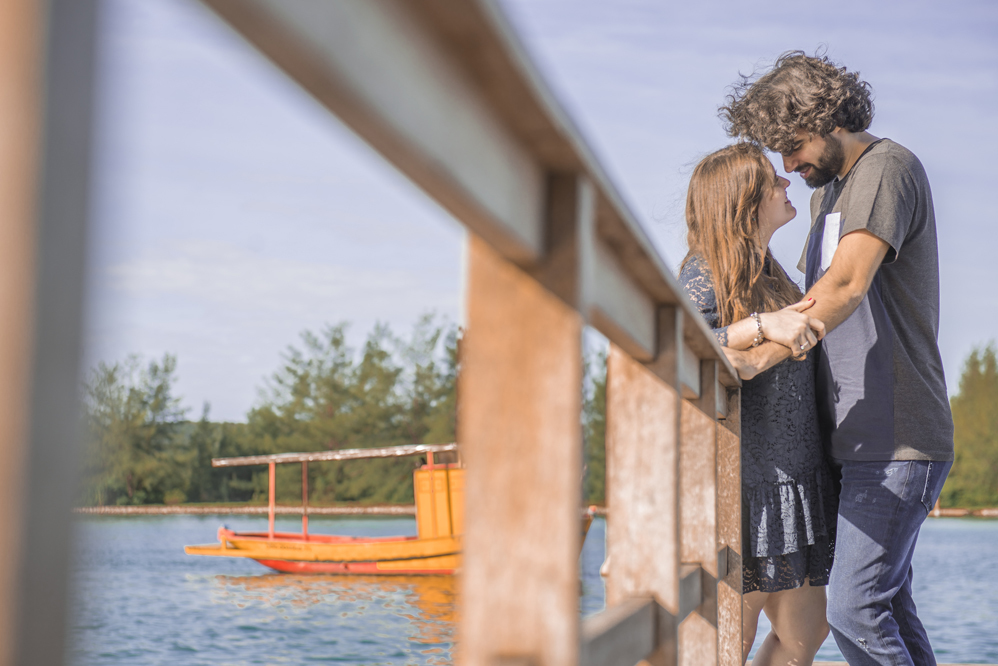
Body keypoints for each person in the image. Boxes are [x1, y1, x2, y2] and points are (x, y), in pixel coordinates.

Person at [719, 51, 954, 666]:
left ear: (826, 119)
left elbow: (844, 287)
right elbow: (809, 304)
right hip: (852, 442)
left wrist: (749, 360)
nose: (788, 164)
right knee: (889, 607)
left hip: (897, 437)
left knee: (853, 609)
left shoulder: (886, 168)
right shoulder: (831, 195)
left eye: (792, 145)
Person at [679, 142, 836, 666]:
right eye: (774, 180)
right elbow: (684, 343)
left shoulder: (772, 271)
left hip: (794, 483)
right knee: (727, 647)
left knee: (805, 635)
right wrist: (762, 325)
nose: (787, 184)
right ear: (745, 203)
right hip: (746, 489)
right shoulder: (705, 269)